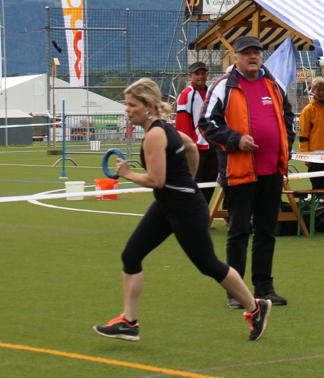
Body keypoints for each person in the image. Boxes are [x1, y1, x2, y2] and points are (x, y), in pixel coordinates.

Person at [93, 78, 271, 342]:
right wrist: (189, 179)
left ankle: (255, 307)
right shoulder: (165, 128)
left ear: (149, 106)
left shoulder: (155, 135)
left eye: (132, 105)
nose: (127, 110)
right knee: (131, 255)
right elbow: (190, 146)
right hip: (168, 205)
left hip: (185, 209)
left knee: (208, 265)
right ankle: (129, 322)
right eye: (126, 105)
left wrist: (128, 174)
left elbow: (156, 180)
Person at [198, 35, 296, 310]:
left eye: (257, 52)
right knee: (239, 232)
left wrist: (286, 145)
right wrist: (236, 140)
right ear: (236, 58)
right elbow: (206, 123)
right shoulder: (224, 86)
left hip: (272, 171)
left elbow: (288, 118)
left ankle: (265, 288)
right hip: (240, 171)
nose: (253, 57)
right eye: (247, 53)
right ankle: (236, 292)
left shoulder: (273, 84)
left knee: (266, 231)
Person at [175, 61, 218, 204]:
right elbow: (182, 122)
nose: (200, 76)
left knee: (210, 183)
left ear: (207, 75)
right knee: (195, 184)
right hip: (196, 147)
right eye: (197, 74)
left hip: (212, 145)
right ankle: (192, 213)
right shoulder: (187, 94)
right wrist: (187, 146)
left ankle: (203, 213)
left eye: (203, 73)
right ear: (190, 76)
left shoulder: (211, 93)